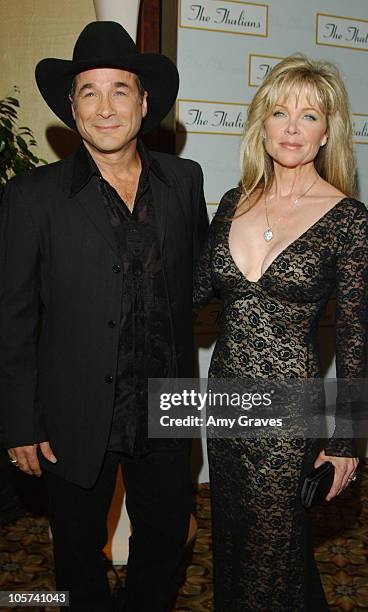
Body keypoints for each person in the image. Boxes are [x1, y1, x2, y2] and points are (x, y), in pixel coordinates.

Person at [0, 21, 208, 612]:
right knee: (75, 551)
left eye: (120, 90)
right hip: (73, 412)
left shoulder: (184, 181)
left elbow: (199, 279)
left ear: (145, 102)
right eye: (89, 92)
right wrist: (19, 422)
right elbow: (11, 317)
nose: (106, 107)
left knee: (165, 542)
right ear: (72, 107)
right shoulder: (32, 196)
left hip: (168, 402)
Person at [194, 55, 368, 611]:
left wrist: (345, 441)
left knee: (274, 550)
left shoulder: (346, 218)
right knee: (233, 543)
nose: (292, 128)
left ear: (327, 132)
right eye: (279, 112)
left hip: (288, 412)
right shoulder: (231, 202)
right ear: (262, 125)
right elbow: (193, 289)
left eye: (310, 116)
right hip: (225, 402)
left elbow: (353, 339)